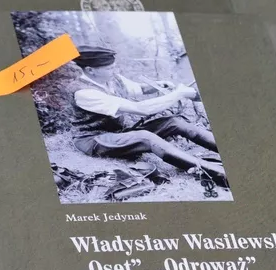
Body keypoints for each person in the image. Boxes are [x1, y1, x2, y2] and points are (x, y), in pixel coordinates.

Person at [66, 45, 228, 188]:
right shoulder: (84, 92)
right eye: (109, 68)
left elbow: (138, 89)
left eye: (113, 67)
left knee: (173, 122)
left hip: (119, 133)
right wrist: (178, 94)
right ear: (90, 70)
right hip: (94, 140)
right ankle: (216, 173)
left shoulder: (112, 78)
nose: (114, 71)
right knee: (146, 137)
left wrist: (158, 86)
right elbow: (141, 109)